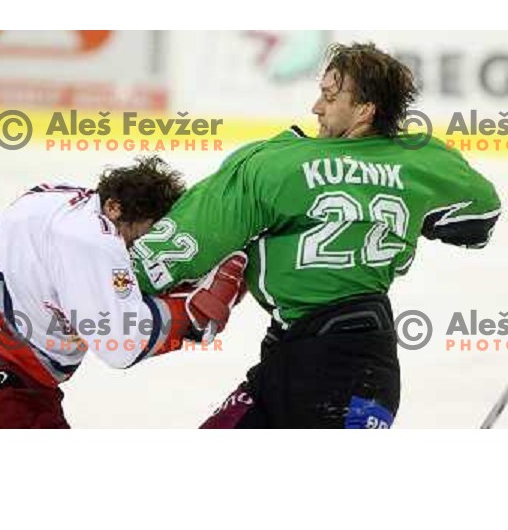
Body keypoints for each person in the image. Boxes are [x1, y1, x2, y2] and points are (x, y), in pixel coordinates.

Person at [132, 42, 502, 429]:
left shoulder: (276, 164)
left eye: (329, 96)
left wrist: (111, 282)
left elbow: (189, 243)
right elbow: (480, 217)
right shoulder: (424, 160)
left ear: (364, 109)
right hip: (350, 367)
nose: (316, 107)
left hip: (323, 364)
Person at [0, 156, 247, 428]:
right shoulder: (91, 239)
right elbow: (120, 344)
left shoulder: (59, 199)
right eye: (140, 238)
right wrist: (190, 313)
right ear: (116, 209)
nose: (140, 252)